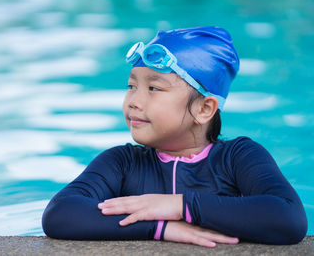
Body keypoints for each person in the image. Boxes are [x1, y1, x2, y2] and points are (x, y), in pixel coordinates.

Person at [42, 26, 307, 247]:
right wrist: (160, 227)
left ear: (204, 109)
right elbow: (60, 215)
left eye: (154, 88)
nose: (133, 101)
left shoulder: (238, 158)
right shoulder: (122, 163)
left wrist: (181, 206)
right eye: (131, 86)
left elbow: (288, 219)